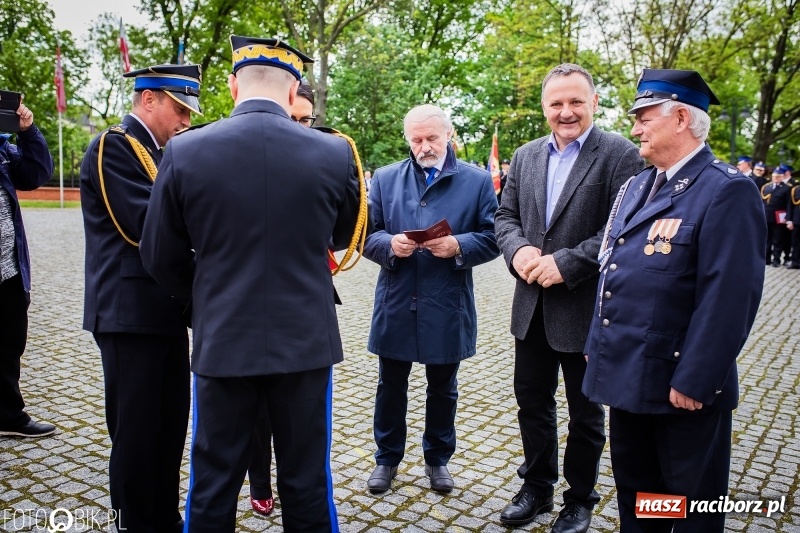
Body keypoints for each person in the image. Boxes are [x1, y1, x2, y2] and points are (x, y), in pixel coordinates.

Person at [140, 36, 360, 532]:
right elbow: (347, 234)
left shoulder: (184, 150)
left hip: (222, 339)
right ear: (292, 91)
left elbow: (158, 254)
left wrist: (206, 299)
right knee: (307, 482)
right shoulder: (334, 152)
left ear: (234, 85)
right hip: (305, 342)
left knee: (213, 482)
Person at [582, 68, 765, 532]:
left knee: (689, 506)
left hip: (679, 388)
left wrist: (696, 380)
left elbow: (730, 298)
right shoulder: (639, 185)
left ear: (681, 117)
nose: (635, 128)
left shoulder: (726, 190)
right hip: (628, 376)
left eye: (643, 117)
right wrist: (596, 346)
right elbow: (614, 270)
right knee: (642, 498)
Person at [494, 63, 643, 532]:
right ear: (544, 107)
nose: (566, 112)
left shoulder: (620, 154)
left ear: (594, 102)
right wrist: (518, 252)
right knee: (531, 403)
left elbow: (621, 230)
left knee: (586, 413)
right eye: (556, 103)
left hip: (587, 309)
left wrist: (568, 263)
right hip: (531, 307)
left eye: (576, 101)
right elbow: (505, 217)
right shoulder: (525, 156)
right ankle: (536, 487)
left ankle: (580, 497)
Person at [80, 64, 202, 532]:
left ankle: (162, 519)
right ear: (148, 98)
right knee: (136, 435)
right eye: (179, 108)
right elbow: (144, 225)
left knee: (169, 428)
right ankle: (133, 522)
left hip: (164, 312)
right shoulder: (115, 146)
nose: (186, 120)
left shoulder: (158, 151)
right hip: (129, 315)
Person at [363, 104, 499, 495]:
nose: (424, 146)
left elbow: (494, 236)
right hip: (398, 297)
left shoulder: (475, 182)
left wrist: (459, 244)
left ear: (449, 135)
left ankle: (438, 458)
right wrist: (390, 244)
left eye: (431, 138)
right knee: (391, 385)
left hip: (446, 299)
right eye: (416, 139)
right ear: (407, 139)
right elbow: (367, 235)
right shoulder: (386, 179)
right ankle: (386, 459)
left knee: (444, 387)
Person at [245, 79, 317, 518]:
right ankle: (259, 480)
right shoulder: (247, 157)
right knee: (255, 412)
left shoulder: (323, 158)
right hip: (249, 305)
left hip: (303, 307)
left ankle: (299, 492)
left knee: (299, 418)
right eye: (293, 119)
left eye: (306, 121)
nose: (298, 127)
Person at [0, 100, 55, 439]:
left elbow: (36, 173)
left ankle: (8, 415)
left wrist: (28, 131)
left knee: (9, 342)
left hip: (7, 267)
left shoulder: (3, 149)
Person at [762, 167, 791, 266]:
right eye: (774, 176)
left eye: (778, 177)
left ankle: (776, 260)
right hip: (767, 216)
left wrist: (787, 217)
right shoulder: (767, 187)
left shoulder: (787, 188)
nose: (775, 178)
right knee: (767, 239)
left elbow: (788, 204)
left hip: (779, 218)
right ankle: (766, 259)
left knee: (777, 240)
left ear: (782, 177)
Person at [788, 179, 800, 269]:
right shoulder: (795, 189)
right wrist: (789, 220)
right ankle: (795, 262)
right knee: (795, 243)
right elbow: (790, 206)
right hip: (797, 220)